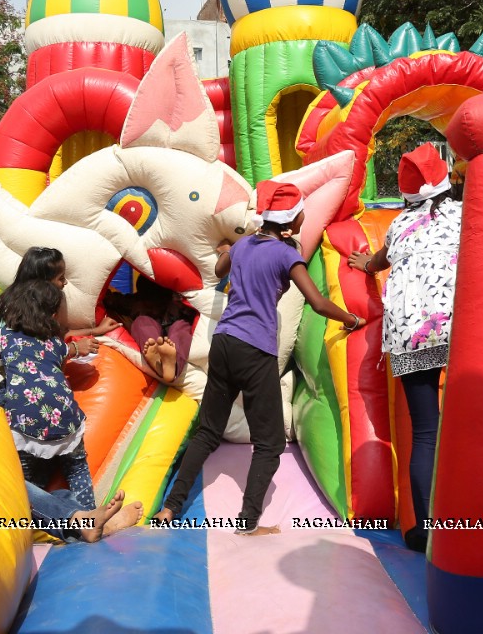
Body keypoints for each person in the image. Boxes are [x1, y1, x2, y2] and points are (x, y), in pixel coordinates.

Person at [152, 181, 367, 535]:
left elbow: (220, 271)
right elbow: (316, 302)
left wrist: (231, 248)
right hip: (255, 350)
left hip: (224, 343)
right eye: (300, 215)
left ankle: (170, 508)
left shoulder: (243, 246)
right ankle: (248, 522)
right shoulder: (286, 255)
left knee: (207, 432)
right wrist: (351, 319)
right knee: (270, 442)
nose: (302, 220)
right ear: (289, 220)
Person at [345, 143, 463, 552]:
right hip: (458, 329)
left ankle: (425, 530)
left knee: (426, 433)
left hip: (411, 333)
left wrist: (364, 265)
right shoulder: (466, 217)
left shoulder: (398, 225)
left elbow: (378, 260)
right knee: (467, 425)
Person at [0, 280, 97, 511]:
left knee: (23, 481)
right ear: (52, 315)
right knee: (77, 467)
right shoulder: (56, 343)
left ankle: (26, 517)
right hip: (66, 417)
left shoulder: (3, 335)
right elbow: (55, 379)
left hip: (25, 419)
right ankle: (89, 514)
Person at [0, 247, 120, 402]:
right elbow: (38, 349)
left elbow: (54, 334)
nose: (65, 282)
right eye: (61, 278)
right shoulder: (23, 310)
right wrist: (74, 349)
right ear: (44, 282)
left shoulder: (13, 299)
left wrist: (95, 330)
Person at [102, 275, 197, 384]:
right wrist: (110, 298)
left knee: (181, 327)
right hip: (155, 338)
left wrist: (181, 302)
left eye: (156, 304)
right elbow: (118, 301)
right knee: (141, 322)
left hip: (171, 341)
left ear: (165, 299)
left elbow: (192, 311)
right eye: (148, 304)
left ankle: (172, 365)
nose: (152, 308)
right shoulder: (135, 303)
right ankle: (157, 360)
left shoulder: (175, 306)